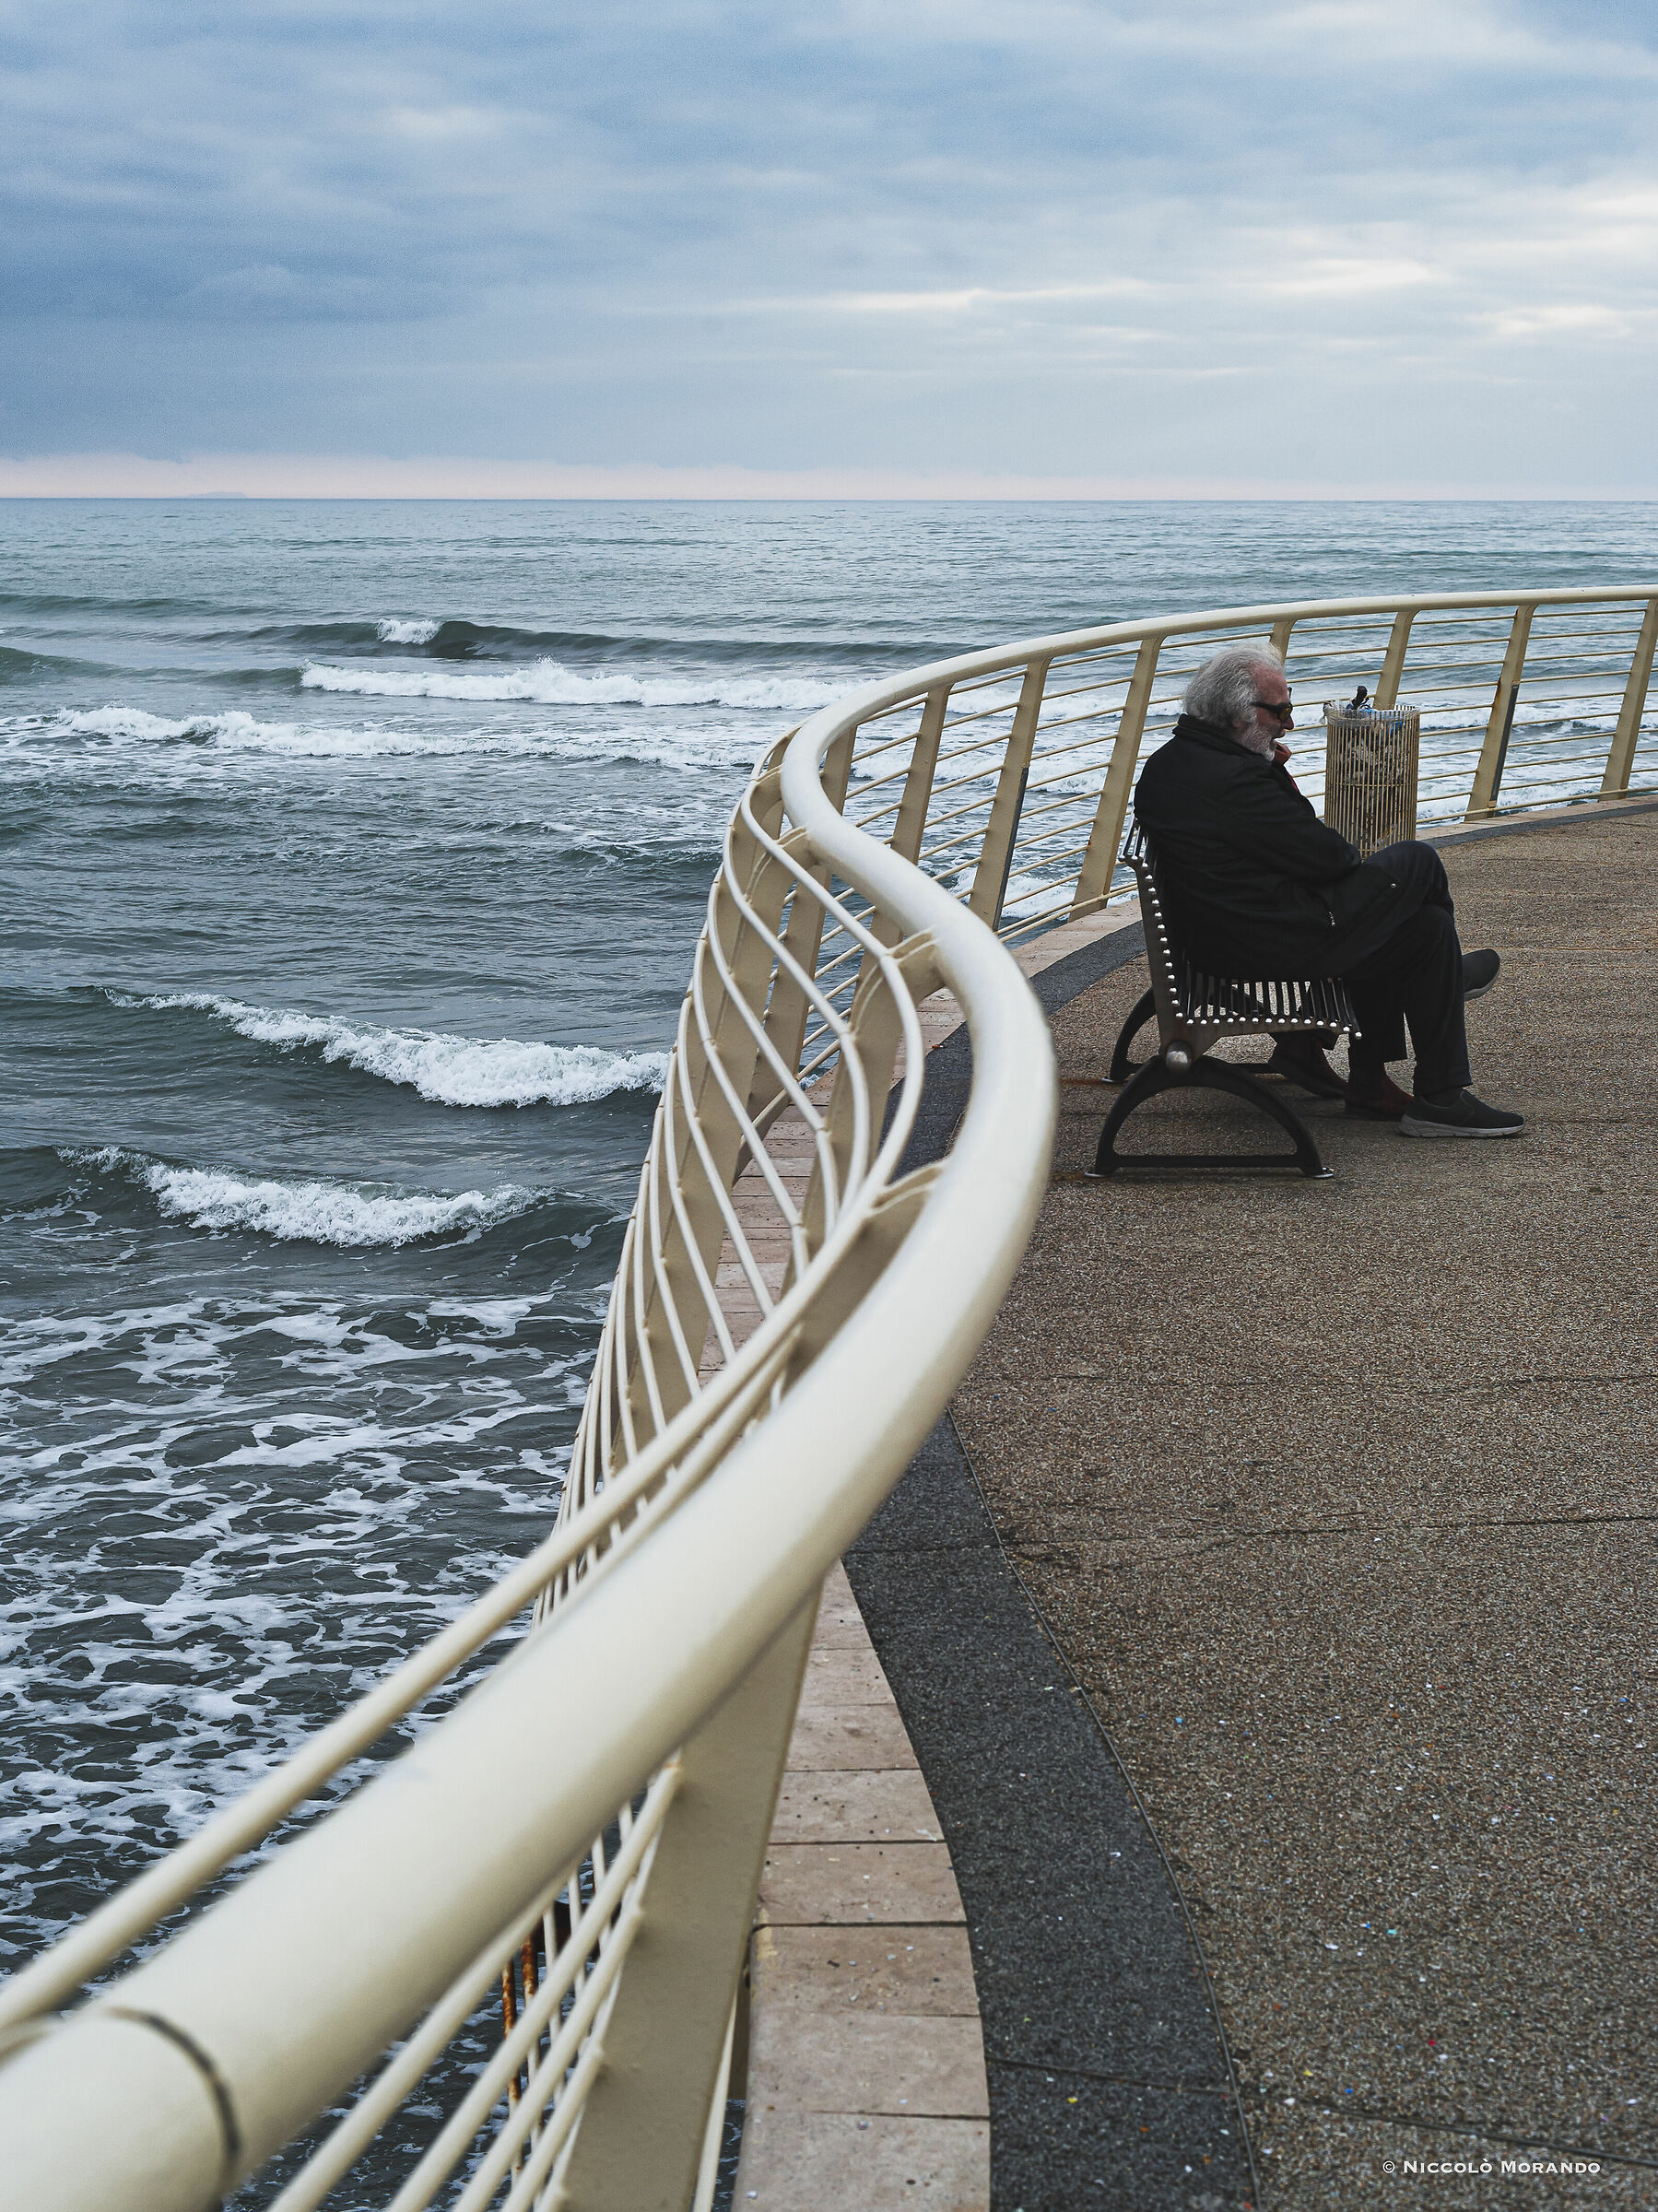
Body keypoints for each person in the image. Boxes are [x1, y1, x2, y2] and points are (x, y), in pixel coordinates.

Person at [1132, 644, 1523, 1137]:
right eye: (1280, 712)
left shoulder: (1173, 762)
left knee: (1426, 929)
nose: (1289, 724)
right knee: (1417, 862)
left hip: (1227, 930)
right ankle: (1446, 991)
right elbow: (1330, 857)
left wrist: (1267, 768)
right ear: (1237, 717)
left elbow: (1280, 850)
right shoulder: (1237, 781)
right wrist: (1276, 773)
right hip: (1267, 939)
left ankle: (1409, 1088)